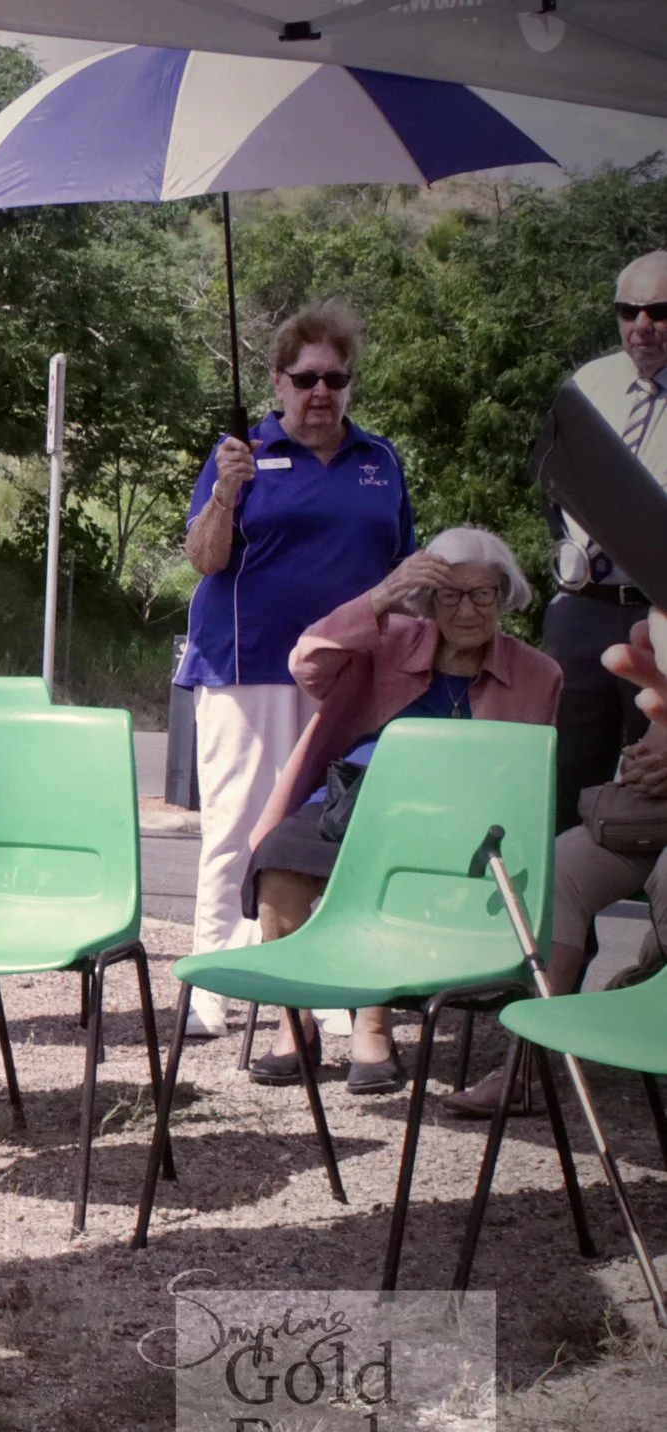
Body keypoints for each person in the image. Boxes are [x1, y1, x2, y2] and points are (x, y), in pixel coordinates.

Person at [237, 529, 560, 1097]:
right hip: (359, 796)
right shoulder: (391, 641)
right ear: (428, 603)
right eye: (450, 596)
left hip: (459, 817)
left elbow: (532, 776)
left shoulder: (538, 673)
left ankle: (373, 1021)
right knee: (280, 859)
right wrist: (381, 596)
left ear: (504, 597)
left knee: (389, 869)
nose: (467, 609)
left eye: (482, 594)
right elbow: (308, 664)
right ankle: (296, 1022)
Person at [176, 302, 416, 1043]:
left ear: (350, 383)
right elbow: (205, 559)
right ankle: (215, 977)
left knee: (335, 824)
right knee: (239, 823)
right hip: (248, 665)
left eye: (334, 378)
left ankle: (321, 981)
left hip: (350, 674)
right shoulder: (241, 455)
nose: (320, 392)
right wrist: (225, 492)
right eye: (305, 378)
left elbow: (404, 565)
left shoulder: (379, 461)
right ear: (278, 381)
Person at [544, 250, 666, 834]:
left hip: (660, 617)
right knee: (566, 779)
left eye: (659, 311)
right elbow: (552, 475)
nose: (641, 325)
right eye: (628, 310)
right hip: (584, 610)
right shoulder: (590, 383)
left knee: (654, 780)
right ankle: (564, 926)